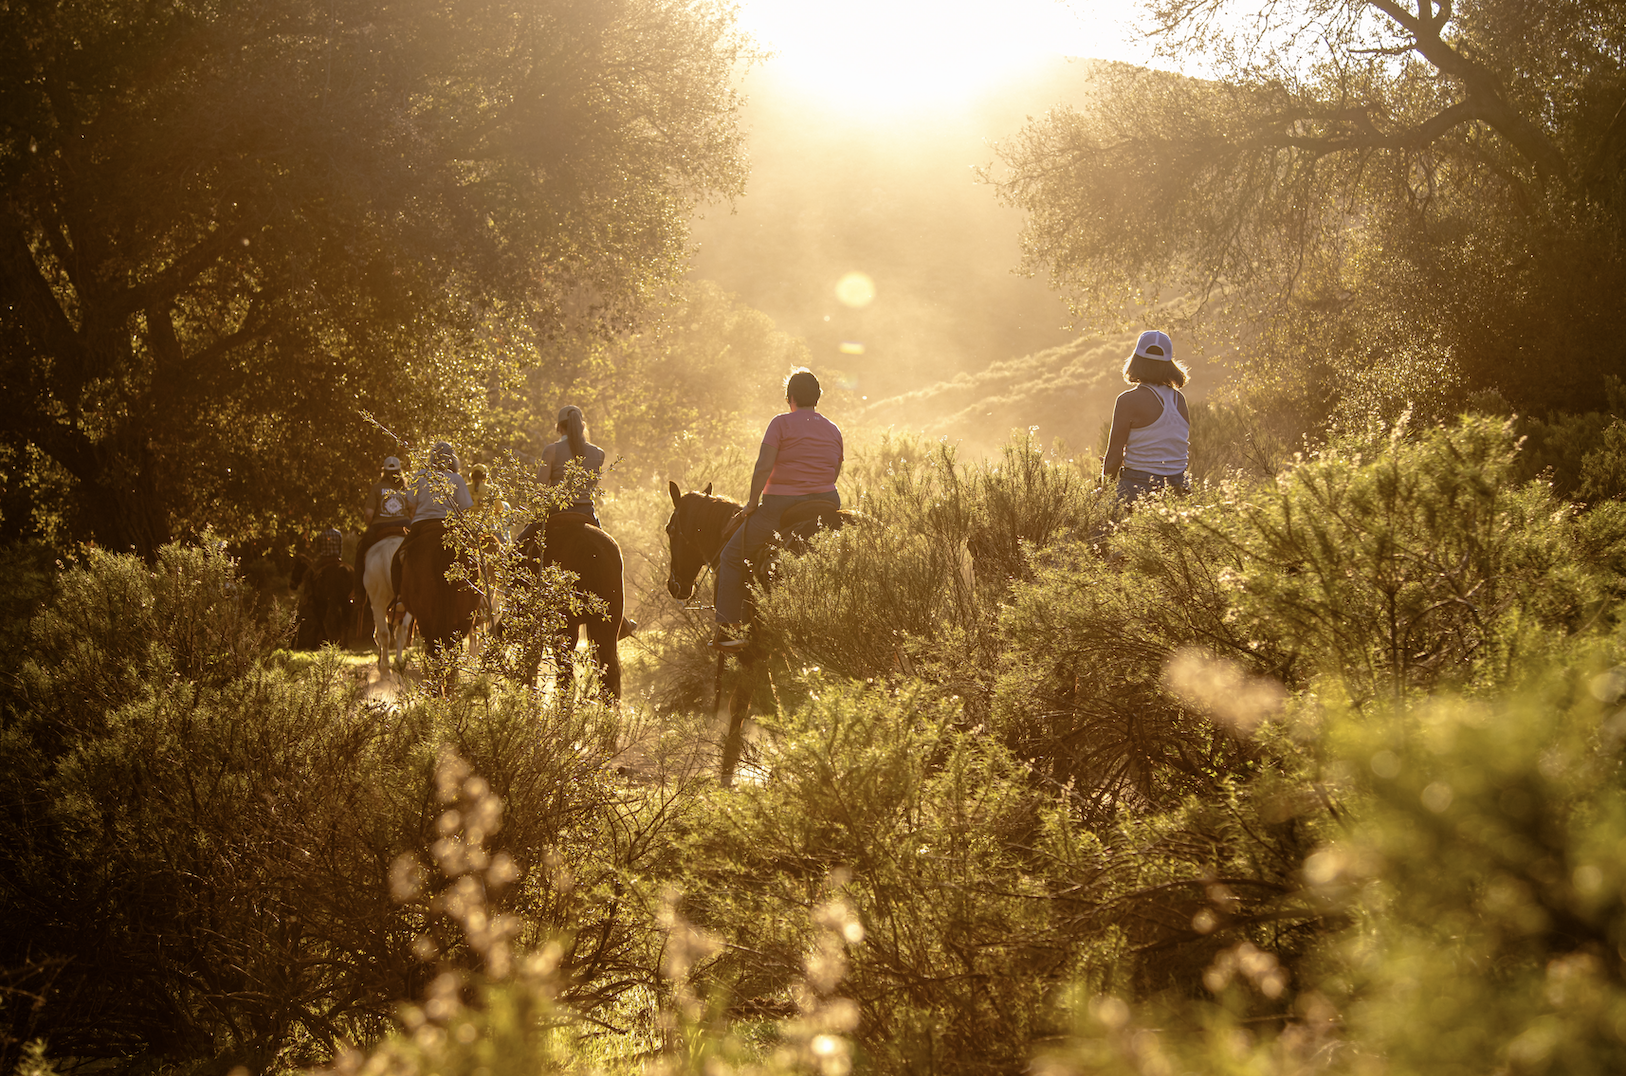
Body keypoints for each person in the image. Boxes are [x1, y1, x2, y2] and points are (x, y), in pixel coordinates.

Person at [713, 367, 843, 650]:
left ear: (790, 398)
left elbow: (763, 467)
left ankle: (726, 629)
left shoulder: (780, 424)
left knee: (731, 555)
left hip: (782, 504)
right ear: (818, 398)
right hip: (827, 502)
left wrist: (751, 503)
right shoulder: (833, 429)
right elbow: (835, 470)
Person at [1101, 329, 1191, 507]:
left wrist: (1105, 491)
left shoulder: (1128, 400)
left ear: (1136, 361)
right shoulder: (1179, 399)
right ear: (1169, 364)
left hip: (1138, 487)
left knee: (1094, 525)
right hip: (1178, 489)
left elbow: (1113, 458)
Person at [391, 441, 474, 600]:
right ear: (452, 459)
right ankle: (479, 599)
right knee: (473, 557)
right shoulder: (457, 479)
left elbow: (411, 506)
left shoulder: (420, 476)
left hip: (422, 524)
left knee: (397, 559)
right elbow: (464, 511)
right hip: (451, 526)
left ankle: (400, 598)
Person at [353, 456, 412, 605]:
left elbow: (368, 514)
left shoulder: (377, 488)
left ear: (384, 472)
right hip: (404, 525)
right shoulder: (406, 489)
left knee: (361, 552)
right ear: (399, 471)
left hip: (380, 526)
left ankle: (359, 593)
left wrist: (371, 525)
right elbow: (413, 510)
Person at [539, 405, 606, 526]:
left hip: (556, 511)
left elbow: (540, 489)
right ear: (583, 426)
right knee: (608, 544)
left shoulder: (551, 451)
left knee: (521, 542)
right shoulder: (599, 453)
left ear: (559, 428)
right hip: (586, 513)